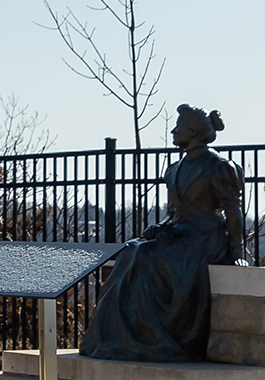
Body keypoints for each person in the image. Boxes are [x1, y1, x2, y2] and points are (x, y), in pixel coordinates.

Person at [80, 106, 247, 362]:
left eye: (178, 126)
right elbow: (174, 213)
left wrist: (237, 251)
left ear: (192, 132)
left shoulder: (219, 166)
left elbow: (233, 212)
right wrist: (161, 228)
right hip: (181, 233)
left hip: (205, 239)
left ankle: (153, 338)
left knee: (146, 255)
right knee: (131, 249)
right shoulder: (174, 168)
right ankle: (113, 336)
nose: (173, 130)